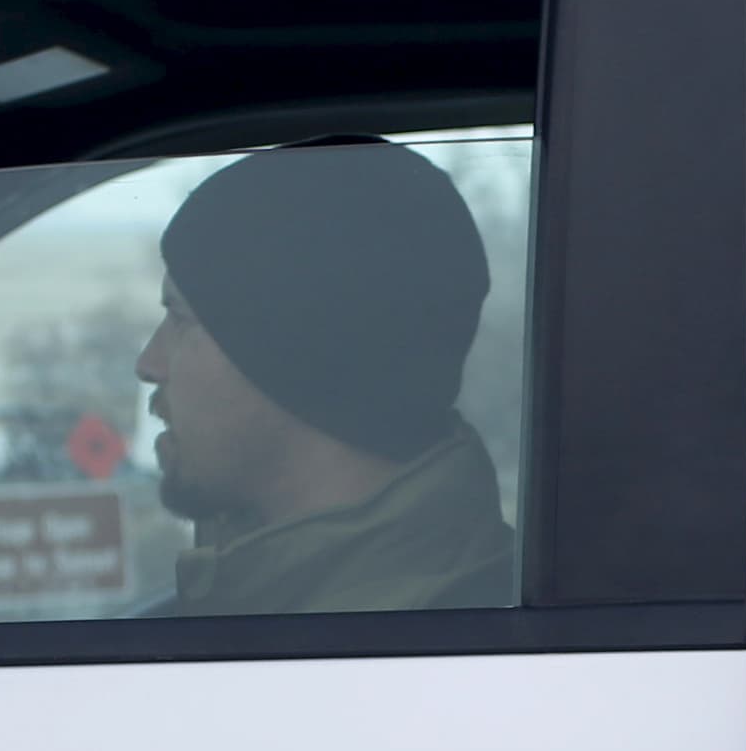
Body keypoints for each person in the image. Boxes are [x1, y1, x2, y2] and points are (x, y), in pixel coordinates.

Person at [138, 136, 514, 614]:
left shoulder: (393, 652)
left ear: (290, 350)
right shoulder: (293, 609)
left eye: (181, 318)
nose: (149, 363)